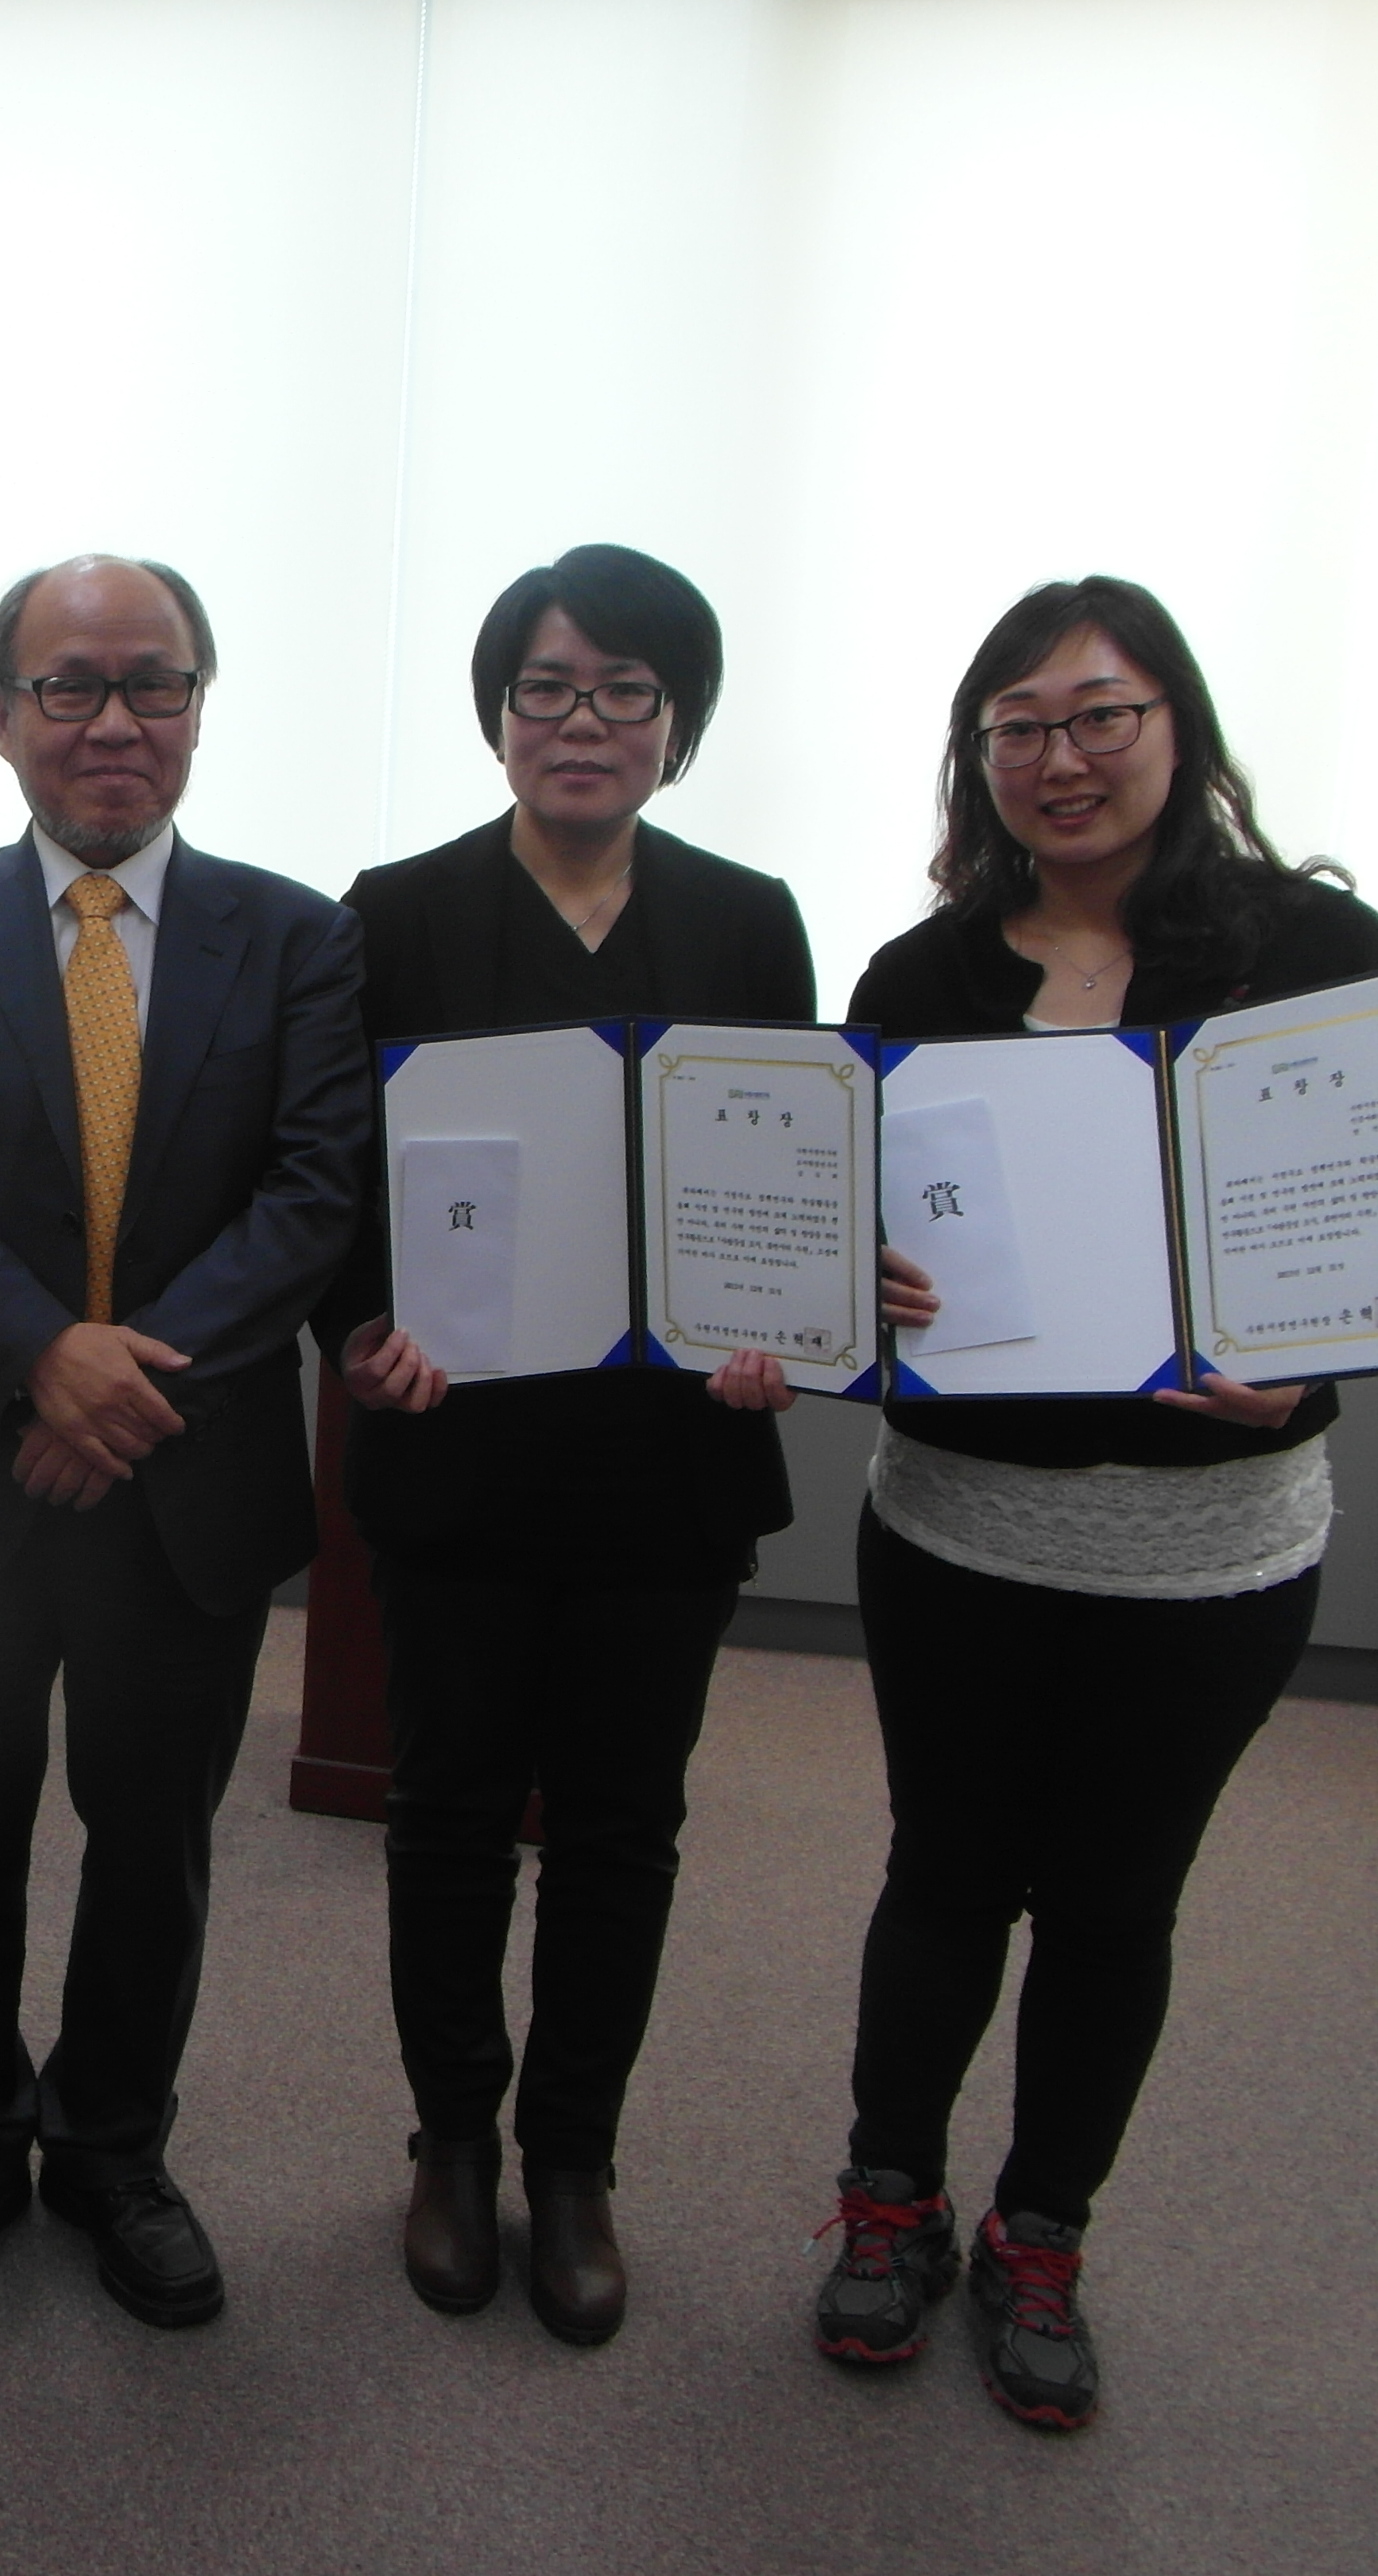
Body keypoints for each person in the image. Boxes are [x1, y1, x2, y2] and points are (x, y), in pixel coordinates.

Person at [716, 575, 1378, 2431]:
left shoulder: (1317, 949)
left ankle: (1044, 2232)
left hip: (1215, 1542)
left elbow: (1367, 1228)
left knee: (1114, 1902)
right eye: (1018, 726)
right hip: (965, 1523)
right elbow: (844, 1234)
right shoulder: (920, 978)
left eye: (1101, 716)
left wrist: (1311, 1365)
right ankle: (889, 2201)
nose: (1060, 758)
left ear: (1178, 728)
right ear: (979, 757)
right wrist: (847, 1292)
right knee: (945, 1872)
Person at [0, 554, 368, 2333]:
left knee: (155, 1852)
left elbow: (312, 1196)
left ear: (201, 705)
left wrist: (123, 1390)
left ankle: (116, 2147)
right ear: (2, 715)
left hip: (183, 1493)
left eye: (156, 682)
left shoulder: (298, 939)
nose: (114, 720)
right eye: (70, 685)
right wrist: (39, 1361)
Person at [319, 544, 833, 2346]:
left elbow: (790, 1167)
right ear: (499, 716)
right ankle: (455, 2140)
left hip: (667, 1463)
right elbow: (332, 1180)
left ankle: (577, 2156)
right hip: (456, 1449)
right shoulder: (394, 914)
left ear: (676, 721)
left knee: (624, 1823)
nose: (583, 722)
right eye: (546, 688)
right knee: (451, 1812)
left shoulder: (750, 919)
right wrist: (357, 1330)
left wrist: (790, 1328)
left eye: (625, 690)